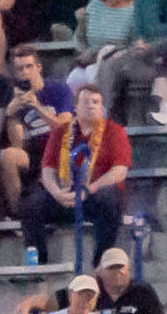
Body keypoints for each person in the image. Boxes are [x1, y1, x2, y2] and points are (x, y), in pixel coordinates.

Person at [19, 85, 129, 264]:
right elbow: (48, 170)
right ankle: (37, 262)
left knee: (111, 197)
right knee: (31, 203)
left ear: (102, 108)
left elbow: (120, 171)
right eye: (85, 102)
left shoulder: (115, 131)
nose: (91, 106)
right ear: (76, 107)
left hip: (94, 196)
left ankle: (101, 261)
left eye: (96, 102)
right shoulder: (60, 132)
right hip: (65, 195)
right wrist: (57, 193)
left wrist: (89, 189)